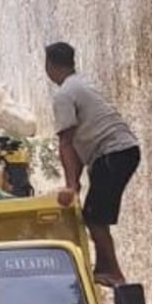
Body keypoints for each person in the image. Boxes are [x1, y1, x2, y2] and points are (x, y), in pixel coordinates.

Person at [44, 42, 140, 287]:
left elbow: (66, 142)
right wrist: (74, 182)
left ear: (50, 65)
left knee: (95, 218)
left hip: (112, 153)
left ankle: (113, 272)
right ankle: (104, 267)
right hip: (124, 150)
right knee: (94, 214)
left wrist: (70, 187)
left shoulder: (64, 94)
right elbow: (77, 144)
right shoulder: (84, 83)